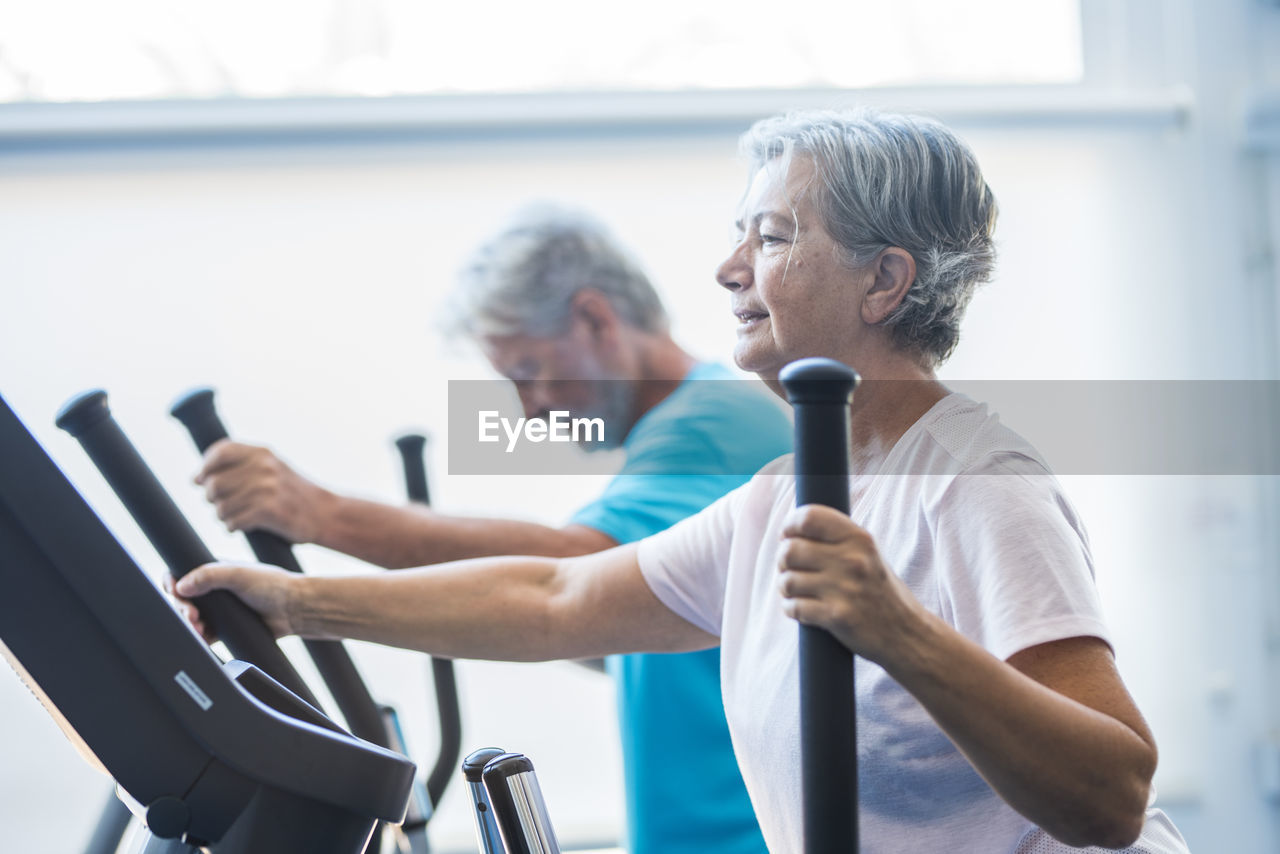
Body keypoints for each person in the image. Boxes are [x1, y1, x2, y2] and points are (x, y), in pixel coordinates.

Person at [175, 109, 1190, 853]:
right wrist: (291, 601)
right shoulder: (779, 493)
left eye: (773, 235)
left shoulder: (974, 480)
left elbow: (1110, 792)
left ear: (883, 282)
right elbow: (555, 597)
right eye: (740, 232)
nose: (727, 268)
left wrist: (899, 631)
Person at [192, 205, 788, 854]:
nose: (529, 411)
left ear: (594, 319)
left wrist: (317, 516)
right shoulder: (691, 434)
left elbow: (566, 580)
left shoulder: (713, 422)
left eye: (528, 374)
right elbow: (633, 625)